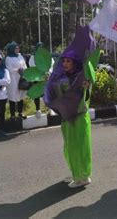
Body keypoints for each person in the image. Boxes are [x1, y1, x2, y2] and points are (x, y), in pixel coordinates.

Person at [45, 26, 95, 188]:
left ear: (75, 63)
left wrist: (86, 82)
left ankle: (83, 176)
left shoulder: (83, 77)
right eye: (64, 61)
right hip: (67, 117)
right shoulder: (62, 77)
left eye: (68, 61)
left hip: (79, 117)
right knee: (69, 146)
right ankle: (75, 171)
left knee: (80, 146)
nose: (65, 63)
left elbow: (88, 85)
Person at [29, 42, 54, 118]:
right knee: (37, 94)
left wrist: (48, 73)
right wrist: (42, 75)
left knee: (49, 93)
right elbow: (32, 66)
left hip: (47, 78)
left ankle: (50, 109)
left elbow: (52, 65)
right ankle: (38, 110)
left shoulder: (48, 56)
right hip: (38, 78)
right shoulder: (33, 58)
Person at [5, 42, 28, 120]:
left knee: (21, 95)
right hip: (13, 79)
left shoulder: (20, 56)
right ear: (12, 49)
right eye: (16, 48)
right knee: (13, 96)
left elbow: (25, 65)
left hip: (21, 78)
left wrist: (23, 69)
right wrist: (17, 70)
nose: (18, 49)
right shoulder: (8, 58)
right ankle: (12, 115)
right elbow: (8, 69)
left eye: (18, 48)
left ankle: (20, 113)